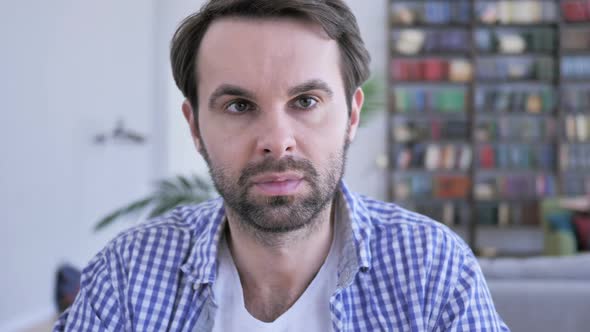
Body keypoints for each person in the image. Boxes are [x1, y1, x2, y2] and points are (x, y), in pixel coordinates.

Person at [54, 0, 509, 331]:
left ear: (351, 116)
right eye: (238, 106)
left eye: (306, 101)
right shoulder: (130, 272)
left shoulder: (432, 268)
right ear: (194, 127)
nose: (276, 141)